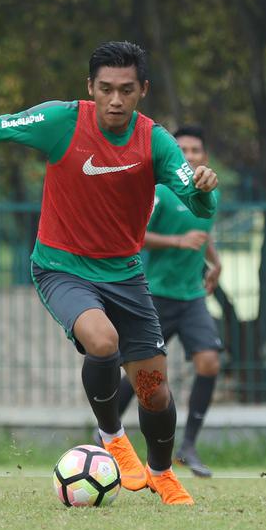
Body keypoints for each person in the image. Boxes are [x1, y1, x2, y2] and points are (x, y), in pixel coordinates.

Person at [0, 41, 219, 505]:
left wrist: (203, 189)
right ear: (90, 88)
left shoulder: (154, 141)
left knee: (153, 392)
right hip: (62, 268)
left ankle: (160, 471)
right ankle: (112, 437)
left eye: (125, 90)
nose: (115, 100)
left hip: (126, 277)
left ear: (142, 90)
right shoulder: (62, 120)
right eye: (105, 89)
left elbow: (193, 197)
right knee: (102, 341)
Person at [109, 125, 223, 478]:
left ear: (204, 156)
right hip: (154, 294)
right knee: (140, 376)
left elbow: (202, 232)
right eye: (183, 150)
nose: (189, 156)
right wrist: (177, 242)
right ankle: (108, 438)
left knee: (209, 362)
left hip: (191, 297)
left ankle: (188, 446)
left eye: (196, 150)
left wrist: (215, 260)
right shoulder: (159, 190)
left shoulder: (206, 191)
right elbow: (135, 236)